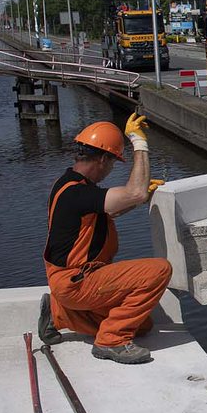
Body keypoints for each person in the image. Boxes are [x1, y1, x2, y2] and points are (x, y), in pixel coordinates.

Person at [38, 114, 171, 364]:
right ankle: (111, 341)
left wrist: (135, 199)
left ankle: (58, 314)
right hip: (78, 281)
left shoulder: (68, 184)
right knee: (159, 270)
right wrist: (138, 142)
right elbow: (135, 192)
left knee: (142, 326)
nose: (111, 170)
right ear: (102, 159)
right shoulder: (78, 192)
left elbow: (112, 209)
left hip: (69, 282)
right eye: (112, 163)